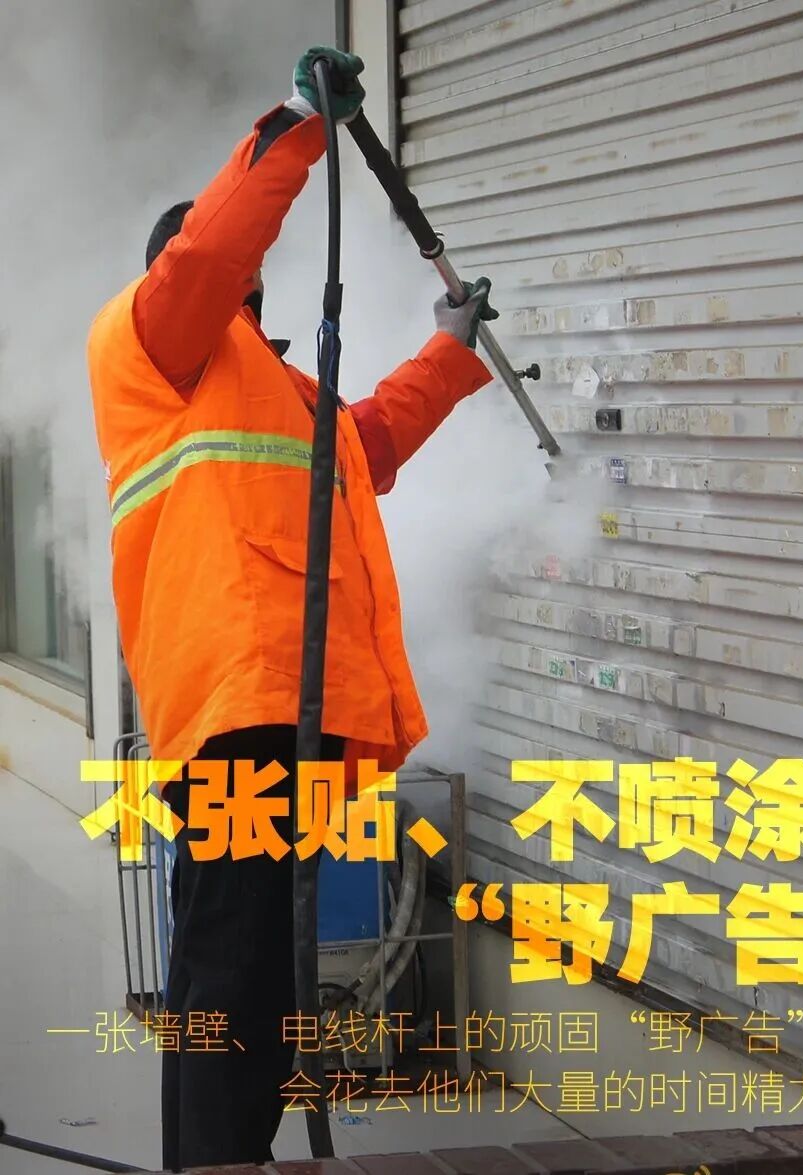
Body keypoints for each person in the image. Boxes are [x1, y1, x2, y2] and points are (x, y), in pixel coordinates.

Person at [87, 46, 498, 1171]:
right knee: (231, 959)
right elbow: (213, 248)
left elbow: (366, 446)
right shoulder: (153, 344)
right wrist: (298, 123)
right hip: (237, 698)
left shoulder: (278, 392)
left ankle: (237, 1151)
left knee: (264, 965)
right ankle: (212, 1158)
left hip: (289, 702)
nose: (249, 277)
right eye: (235, 266)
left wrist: (448, 352)